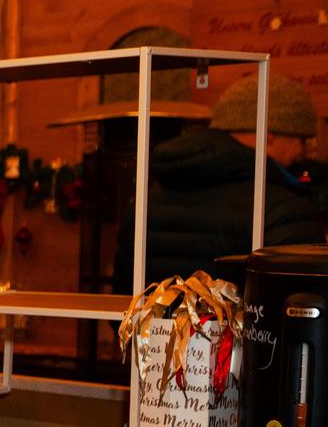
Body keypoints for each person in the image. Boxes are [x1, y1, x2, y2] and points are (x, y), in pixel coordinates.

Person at [115, 72, 324, 286]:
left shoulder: (149, 198)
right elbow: (299, 308)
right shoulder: (282, 210)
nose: (303, 151)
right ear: (269, 133)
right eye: (301, 139)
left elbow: (124, 300)